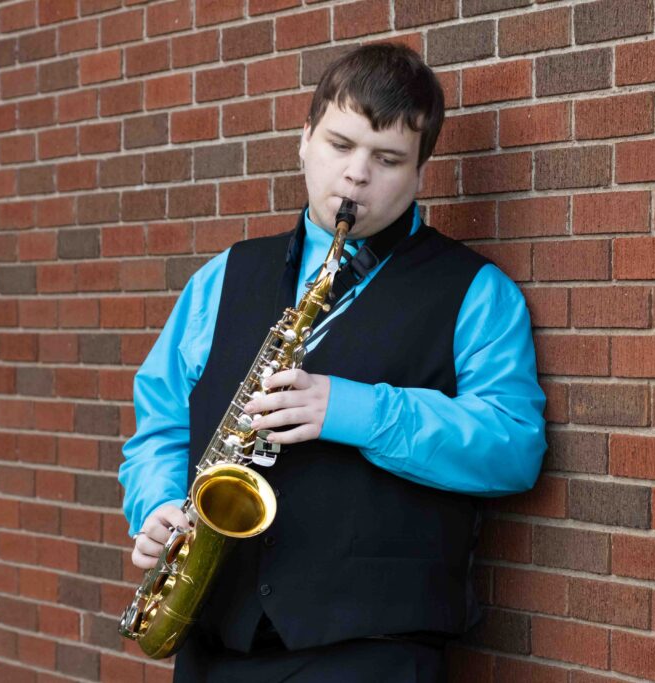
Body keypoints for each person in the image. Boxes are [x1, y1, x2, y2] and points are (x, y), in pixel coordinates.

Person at [118, 43, 547, 683]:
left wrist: (353, 410)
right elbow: (161, 420)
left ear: (420, 173)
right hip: (212, 644)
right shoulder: (223, 276)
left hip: (372, 652)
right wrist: (153, 505)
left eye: (387, 158)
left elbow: (512, 446)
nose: (355, 175)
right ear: (303, 140)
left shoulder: (478, 293)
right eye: (339, 145)